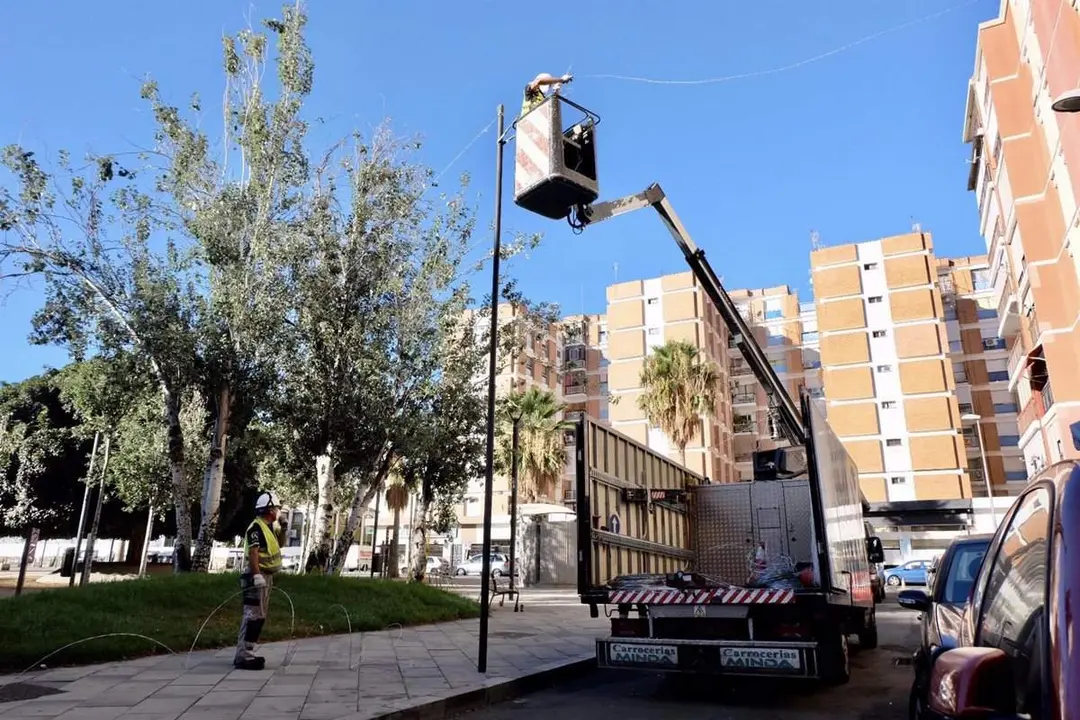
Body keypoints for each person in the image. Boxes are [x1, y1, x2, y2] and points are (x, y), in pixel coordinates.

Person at [234, 491, 287, 670]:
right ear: (269, 509)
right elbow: (253, 553)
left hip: (266, 575)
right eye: (277, 509)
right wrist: (256, 575)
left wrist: (284, 528)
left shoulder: (268, 527)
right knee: (252, 615)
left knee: (259, 615)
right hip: (256, 576)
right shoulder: (255, 528)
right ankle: (243, 656)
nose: (278, 512)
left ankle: (248, 652)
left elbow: (280, 544)